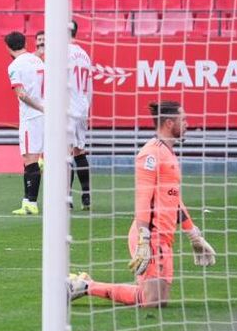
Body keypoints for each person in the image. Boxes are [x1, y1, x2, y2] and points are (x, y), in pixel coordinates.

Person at [67, 101, 217, 307]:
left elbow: (174, 199)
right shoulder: (151, 154)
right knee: (153, 301)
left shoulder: (169, 153)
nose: (187, 124)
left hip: (164, 237)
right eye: (184, 120)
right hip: (150, 235)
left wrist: (193, 235)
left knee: (157, 300)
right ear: (168, 123)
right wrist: (144, 239)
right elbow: (143, 198)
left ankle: (85, 285)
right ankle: (86, 286)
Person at [5, 32, 45, 216]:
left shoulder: (15, 66)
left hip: (32, 116)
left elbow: (21, 93)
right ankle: (27, 201)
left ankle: (32, 203)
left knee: (30, 159)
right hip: (45, 115)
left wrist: (40, 107)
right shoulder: (38, 61)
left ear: (7, 47)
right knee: (33, 159)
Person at [68, 20, 93, 210]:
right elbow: (90, 87)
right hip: (82, 106)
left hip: (67, 107)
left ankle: (66, 197)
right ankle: (86, 196)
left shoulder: (62, 52)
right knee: (79, 151)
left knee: (65, 153)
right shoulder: (84, 55)